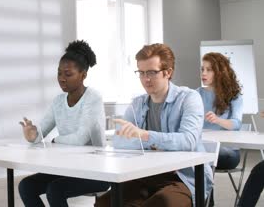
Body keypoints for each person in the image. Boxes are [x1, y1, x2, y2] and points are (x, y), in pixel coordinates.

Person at [95, 43, 213, 207]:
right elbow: (119, 141)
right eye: (141, 73)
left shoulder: (189, 98)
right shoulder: (137, 104)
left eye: (151, 72)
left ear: (168, 72)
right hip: (144, 175)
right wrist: (158, 144)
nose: (146, 79)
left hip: (181, 178)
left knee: (162, 203)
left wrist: (145, 136)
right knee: (105, 203)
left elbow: (188, 140)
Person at [18, 40, 110, 207]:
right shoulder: (58, 101)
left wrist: (55, 140)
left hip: (97, 171)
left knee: (55, 190)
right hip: (67, 167)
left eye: (68, 74)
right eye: (59, 73)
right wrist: (33, 135)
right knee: (26, 186)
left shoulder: (93, 98)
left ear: (83, 75)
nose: (61, 79)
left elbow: (80, 139)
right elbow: (41, 133)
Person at [197, 52, 243, 206]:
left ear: (220, 71)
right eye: (202, 69)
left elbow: (236, 124)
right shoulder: (196, 94)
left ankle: (206, 203)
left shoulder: (234, 95)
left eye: (209, 70)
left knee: (202, 156)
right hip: (203, 148)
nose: (204, 73)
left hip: (228, 153)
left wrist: (218, 120)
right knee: (198, 155)